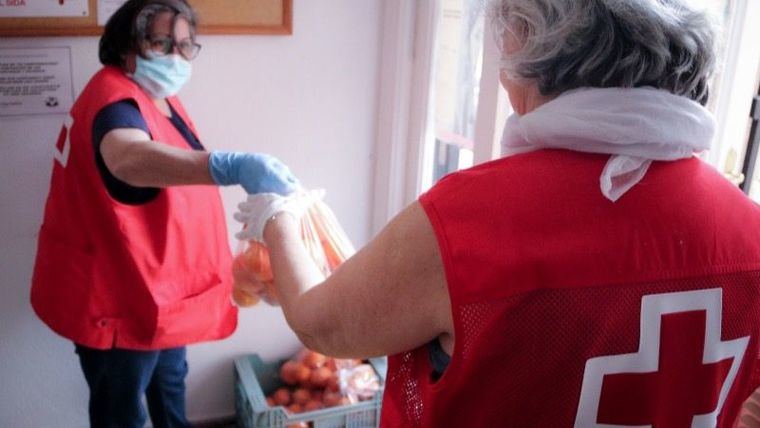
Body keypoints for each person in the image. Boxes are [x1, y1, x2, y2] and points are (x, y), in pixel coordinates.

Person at [234, 0, 760, 426]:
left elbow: (323, 325)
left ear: (535, 49)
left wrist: (276, 217)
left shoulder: (470, 219)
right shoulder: (749, 230)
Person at [30, 0, 298, 426]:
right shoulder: (113, 101)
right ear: (126, 46)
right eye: (161, 43)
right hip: (119, 297)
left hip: (162, 291)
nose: (176, 57)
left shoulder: (155, 95)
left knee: (171, 385)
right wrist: (226, 166)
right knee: (121, 409)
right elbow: (127, 156)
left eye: (186, 46)